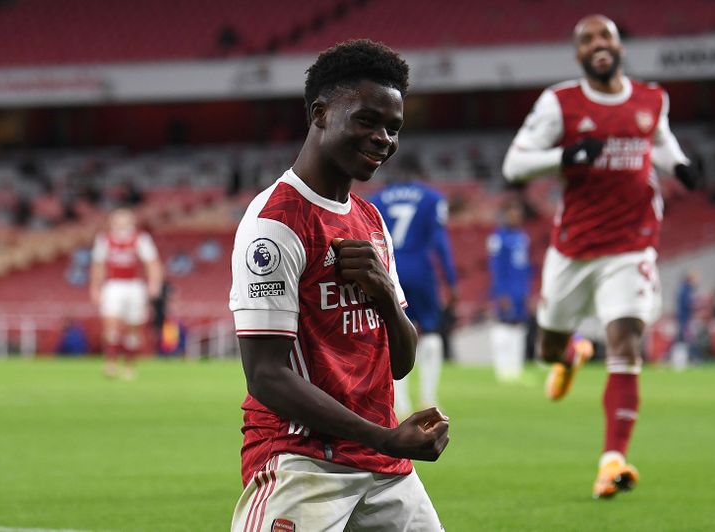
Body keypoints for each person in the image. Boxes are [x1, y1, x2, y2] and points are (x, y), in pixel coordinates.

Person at [228, 40, 448, 531]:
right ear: (321, 113)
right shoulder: (276, 224)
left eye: (393, 128)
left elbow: (400, 363)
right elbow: (266, 375)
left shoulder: (370, 219)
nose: (383, 139)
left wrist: (387, 296)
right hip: (303, 460)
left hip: (383, 469)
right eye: (368, 121)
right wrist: (385, 437)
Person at [501, 14, 698, 499]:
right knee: (547, 346)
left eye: (605, 36)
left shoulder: (652, 98)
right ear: (579, 55)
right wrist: (564, 156)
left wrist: (682, 165)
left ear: (619, 47)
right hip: (574, 248)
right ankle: (569, 355)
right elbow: (514, 164)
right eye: (586, 39)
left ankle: (612, 461)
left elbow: (661, 140)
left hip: (631, 246)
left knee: (626, 341)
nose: (597, 44)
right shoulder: (561, 102)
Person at [371, 156, 458, 414]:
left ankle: (399, 402)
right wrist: (451, 281)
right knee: (430, 331)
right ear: (419, 174)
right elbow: (440, 242)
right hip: (421, 271)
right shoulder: (432, 198)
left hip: (387, 272)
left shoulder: (377, 199)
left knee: (393, 332)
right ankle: (428, 398)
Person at [89, 208, 163, 380]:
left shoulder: (141, 239)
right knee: (111, 323)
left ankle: (130, 365)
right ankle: (111, 363)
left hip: (134, 286)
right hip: (113, 285)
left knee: (133, 327)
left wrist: (154, 283)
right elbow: (98, 265)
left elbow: (152, 262)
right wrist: (95, 287)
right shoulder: (104, 239)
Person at [487, 198, 534, 382]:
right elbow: (496, 268)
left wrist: (527, 292)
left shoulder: (522, 237)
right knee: (503, 325)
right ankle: (502, 370)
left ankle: (515, 370)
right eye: (513, 213)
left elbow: (525, 268)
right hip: (506, 288)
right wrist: (501, 292)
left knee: (519, 327)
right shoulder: (498, 238)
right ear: (505, 215)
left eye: (518, 214)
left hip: (520, 289)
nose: (516, 217)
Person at [671, 271, 698, 370]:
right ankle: (688, 360)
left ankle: (679, 360)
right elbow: (687, 304)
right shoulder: (686, 290)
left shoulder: (682, 289)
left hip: (683, 319)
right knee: (686, 340)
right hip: (685, 319)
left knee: (681, 340)